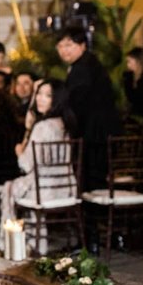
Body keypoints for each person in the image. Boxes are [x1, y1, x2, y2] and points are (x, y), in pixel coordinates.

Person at [0, 80, 77, 256]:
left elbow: (26, 165)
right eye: (39, 94)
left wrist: (19, 150)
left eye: (47, 95)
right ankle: (32, 240)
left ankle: (14, 243)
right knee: (16, 186)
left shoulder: (42, 127)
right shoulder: (64, 124)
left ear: (57, 99)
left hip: (44, 190)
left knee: (10, 188)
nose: (40, 99)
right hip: (66, 188)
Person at [56, 25, 122, 197]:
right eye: (60, 46)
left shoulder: (82, 68)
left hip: (94, 135)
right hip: (98, 134)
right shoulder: (87, 63)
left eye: (69, 45)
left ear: (83, 45)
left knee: (91, 183)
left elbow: (77, 102)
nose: (64, 51)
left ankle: (93, 220)